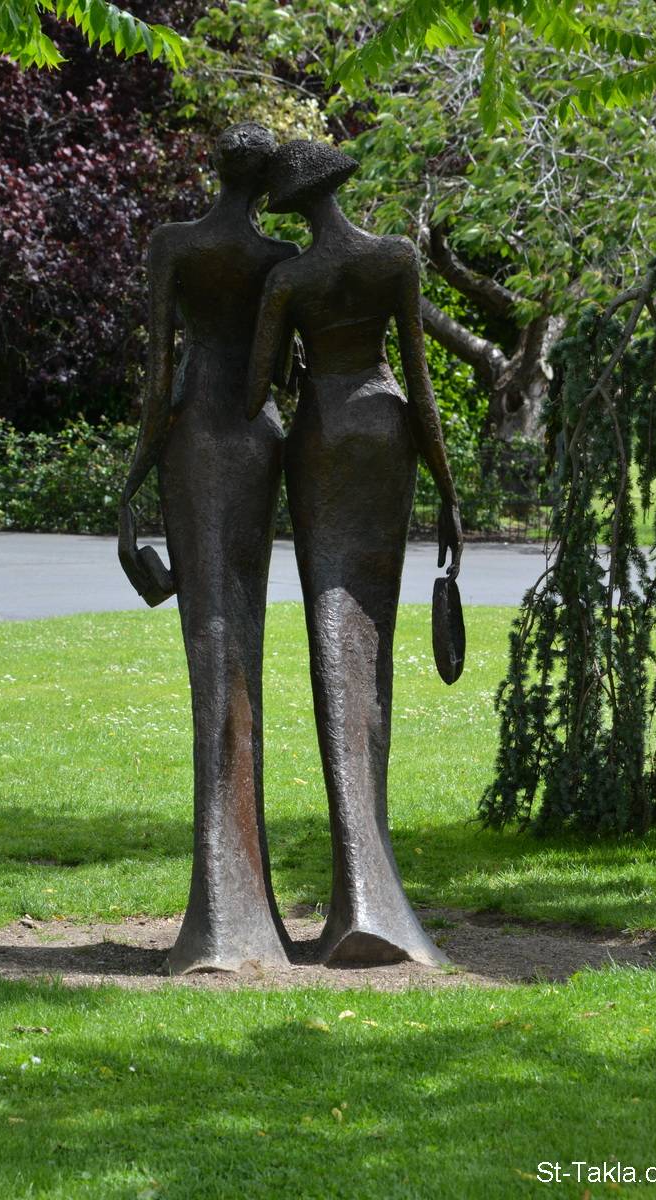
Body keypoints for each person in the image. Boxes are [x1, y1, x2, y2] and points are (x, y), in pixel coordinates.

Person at [247, 140, 463, 966]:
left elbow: (259, 388)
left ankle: (360, 895)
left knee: (330, 629)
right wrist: (446, 486)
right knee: (370, 634)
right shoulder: (394, 257)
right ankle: (371, 893)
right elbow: (418, 377)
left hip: (325, 435)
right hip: (383, 427)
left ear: (293, 205)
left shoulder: (289, 279)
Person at [118, 124, 298, 972]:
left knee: (208, 637)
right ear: (265, 183)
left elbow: (161, 372)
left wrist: (132, 478)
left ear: (217, 169)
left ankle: (223, 904)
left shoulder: (175, 245)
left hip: (194, 434)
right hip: (256, 437)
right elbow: (280, 374)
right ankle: (239, 898)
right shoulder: (278, 258)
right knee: (243, 638)